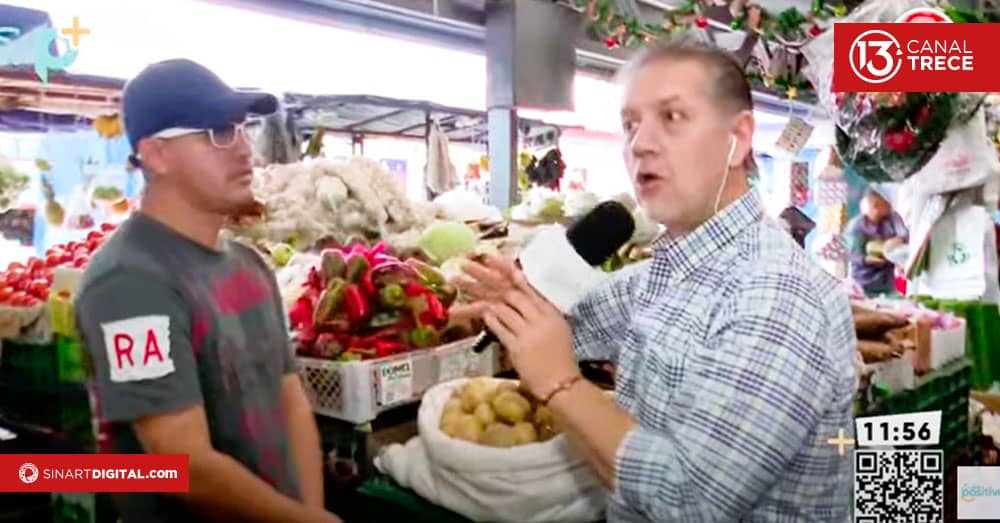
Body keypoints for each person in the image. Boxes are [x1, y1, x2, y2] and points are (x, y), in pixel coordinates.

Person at [456, 41, 857, 522]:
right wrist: (516, 304)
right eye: (630, 124)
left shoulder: (776, 295)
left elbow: (690, 500)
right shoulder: (669, 270)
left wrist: (559, 383)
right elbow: (577, 321)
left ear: (739, 139)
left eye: (672, 117)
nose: (639, 143)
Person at [74, 59, 341, 523]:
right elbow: (182, 465)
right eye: (216, 134)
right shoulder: (129, 284)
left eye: (241, 129)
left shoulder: (250, 266)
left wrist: (309, 509)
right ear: (155, 155)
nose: (243, 150)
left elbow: (291, 402)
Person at [846, 187, 908, 296]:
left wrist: (897, 240)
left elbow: (904, 234)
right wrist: (866, 260)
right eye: (886, 202)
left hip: (887, 280)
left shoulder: (893, 218)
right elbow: (850, 254)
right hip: (863, 281)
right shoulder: (856, 226)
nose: (889, 205)